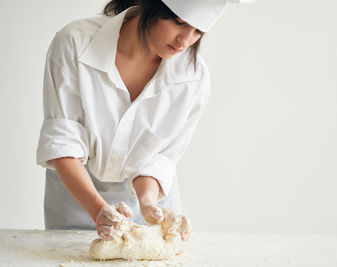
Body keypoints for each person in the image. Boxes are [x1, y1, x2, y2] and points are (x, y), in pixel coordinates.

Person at [36, 0, 254, 242]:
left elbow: (159, 158)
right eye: (178, 22)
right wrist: (98, 210)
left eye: (198, 31)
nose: (185, 41)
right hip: (76, 195)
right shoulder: (75, 43)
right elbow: (63, 143)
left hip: (147, 203)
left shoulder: (193, 78)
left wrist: (148, 205)